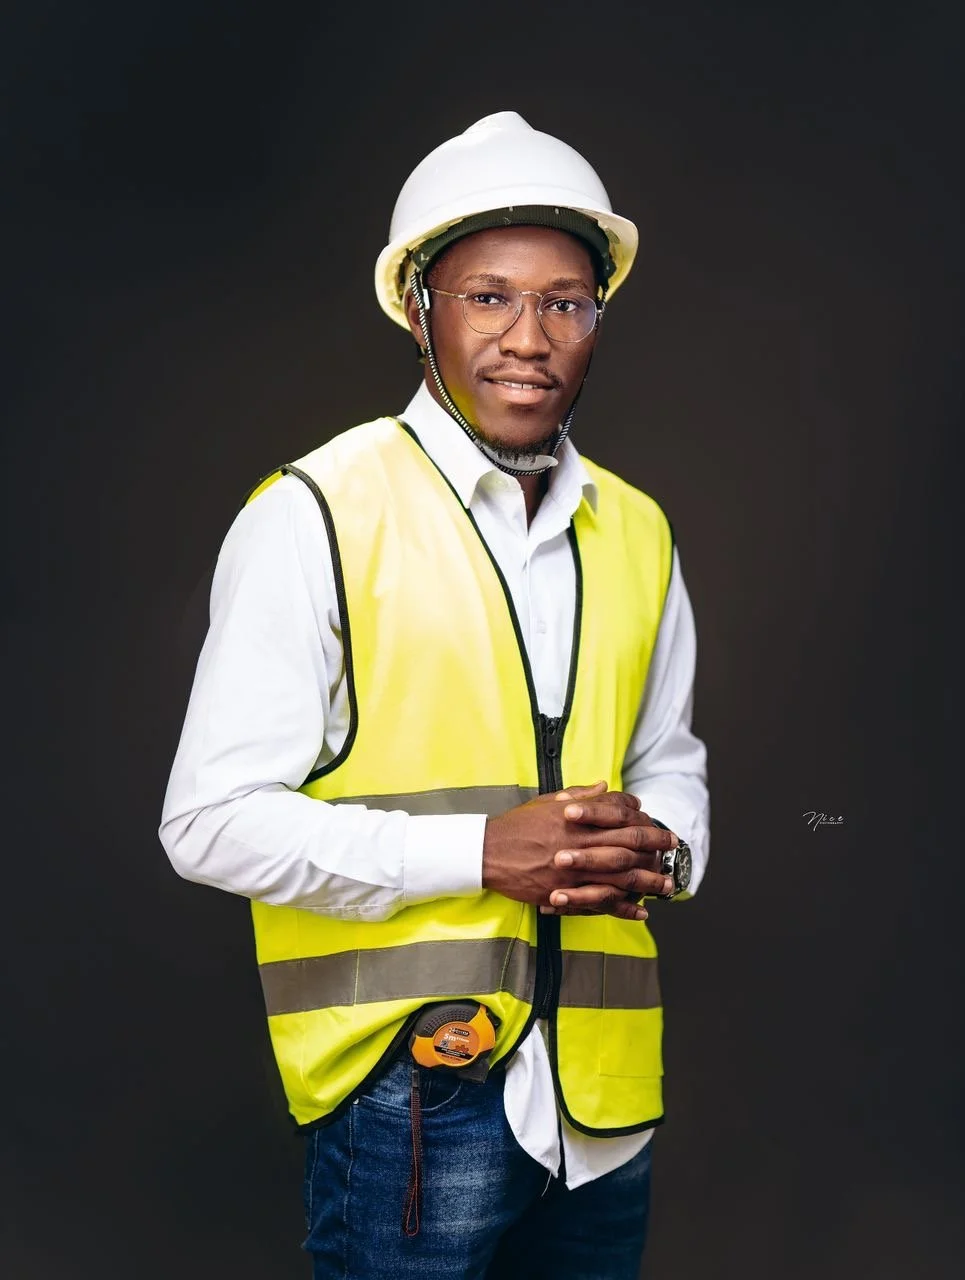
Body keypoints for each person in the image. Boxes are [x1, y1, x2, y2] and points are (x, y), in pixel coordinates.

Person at [160, 110, 710, 1280]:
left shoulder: (640, 530)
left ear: (597, 319)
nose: (530, 338)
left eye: (566, 303)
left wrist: (669, 848)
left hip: (603, 1114)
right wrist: (481, 853)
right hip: (410, 1101)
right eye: (489, 297)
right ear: (420, 310)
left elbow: (669, 753)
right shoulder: (316, 514)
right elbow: (206, 820)